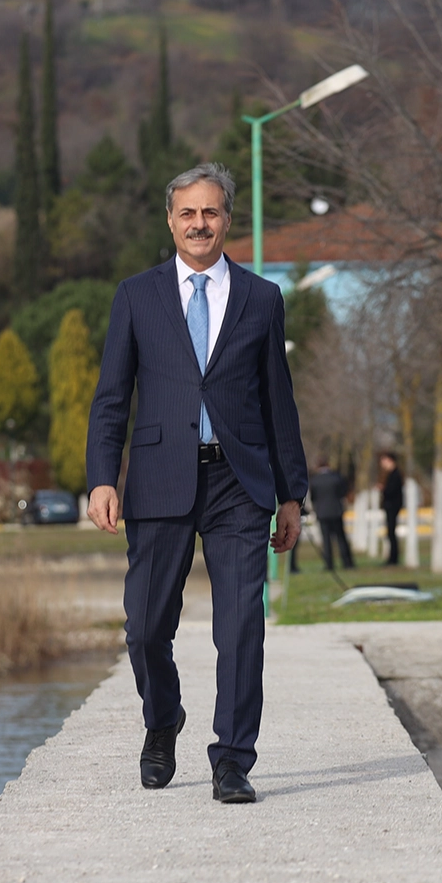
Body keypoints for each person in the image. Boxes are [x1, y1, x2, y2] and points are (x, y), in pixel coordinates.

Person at [86, 162, 308, 806]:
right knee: (145, 627)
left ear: (227, 220)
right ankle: (163, 722)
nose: (199, 223)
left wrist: (291, 494)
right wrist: (102, 478)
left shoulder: (262, 298)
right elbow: (111, 397)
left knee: (240, 627)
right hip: (159, 478)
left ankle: (232, 760)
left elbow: (279, 402)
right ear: (170, 221)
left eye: (211, 212)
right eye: (188, 212)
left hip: (240, 481)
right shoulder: (136, 295)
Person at [308, 457, 356, 572]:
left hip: (322, 513)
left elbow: (313, 497)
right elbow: (343, 492)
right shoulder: (337, 477)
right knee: (341, 538)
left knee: (326, 539)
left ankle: (329, 563)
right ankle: (347, 562)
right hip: (336, 511)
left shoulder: (315, 480)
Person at [379, 451, 403, 567]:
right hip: (390, 505)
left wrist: (383, 489)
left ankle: (393, 558)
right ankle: (392, 557)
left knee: (391, 532)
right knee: (390, 532)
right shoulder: (391, 474)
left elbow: (392, 490)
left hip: (392, 506)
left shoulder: (395, 474)